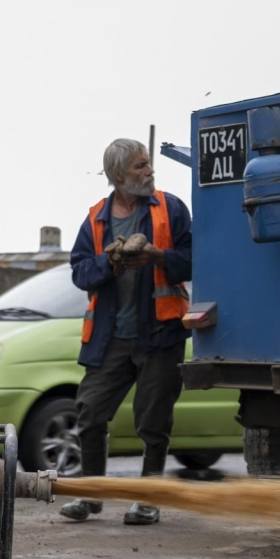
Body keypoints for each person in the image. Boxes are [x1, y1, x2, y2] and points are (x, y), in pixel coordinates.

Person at [58, 138, 192, 525]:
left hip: (160, 335)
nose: (149, 171)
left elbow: (196, 258)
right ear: (118, 175)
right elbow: (80, 271)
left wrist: (158, 257)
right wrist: (111, 263)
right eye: (140, 166)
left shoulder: (171, 208)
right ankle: (92, 496)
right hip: (111, 338)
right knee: (89, 413)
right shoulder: (97, 217)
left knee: (153, 423)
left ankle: (148, 499)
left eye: (148, 164)